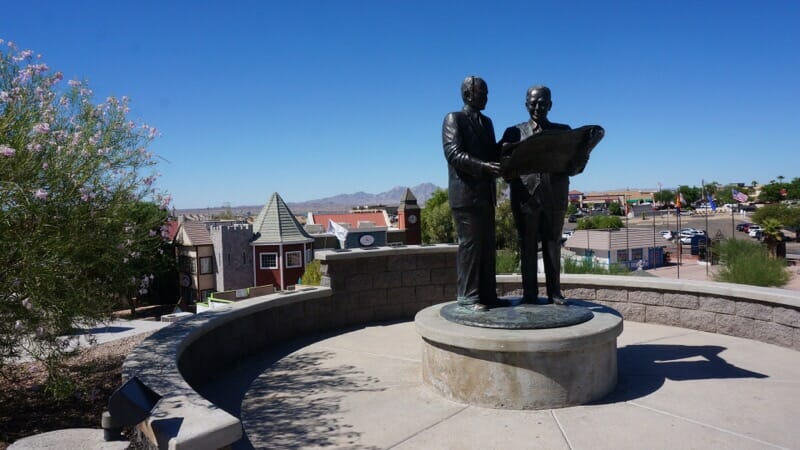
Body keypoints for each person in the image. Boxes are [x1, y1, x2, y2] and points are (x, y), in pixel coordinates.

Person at [499, 85, 571, 305]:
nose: (537, 107)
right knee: (527, 246)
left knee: (552, 245)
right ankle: (529, 293)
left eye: (542, 103)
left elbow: (575, 164)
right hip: (525, 199)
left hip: (554, 197)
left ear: (550, 105)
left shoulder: (563, 131)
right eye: (533, 103)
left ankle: (554, 292)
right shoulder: (514, 132)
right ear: (525, 104)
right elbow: (501, 166)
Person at [442, 76, 501, 312]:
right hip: (465, 197)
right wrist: (485, 167)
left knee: (487, 247)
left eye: (487, 93)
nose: (486, 97)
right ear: (468, 94)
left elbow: (492, 152)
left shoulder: (487, 123)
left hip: (486, 195)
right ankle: (468, 296)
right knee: (471, 247)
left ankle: (487, 294)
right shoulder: (453, 119)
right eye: (482, 93)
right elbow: (454, 154)